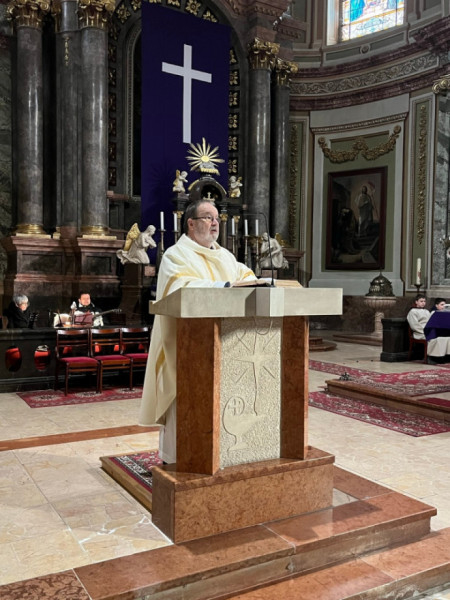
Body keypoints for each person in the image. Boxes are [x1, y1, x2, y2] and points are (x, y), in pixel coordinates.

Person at [139, 199, 257, 464]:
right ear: (191, 224)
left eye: (216, 218)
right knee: (186, 395)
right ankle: (178, 457)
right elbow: (180, 288)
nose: (215, 223)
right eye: (207, 217)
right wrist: (224, 287)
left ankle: (219, 452)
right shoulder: (175, 255)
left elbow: (246, 277)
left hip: (225, 342)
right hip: (187, 344)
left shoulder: (225, 256)